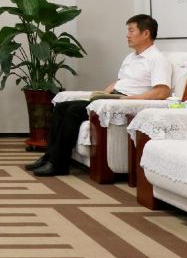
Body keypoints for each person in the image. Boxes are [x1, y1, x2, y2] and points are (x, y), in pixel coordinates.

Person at [26, 14, 172, 177]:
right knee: (61, 107)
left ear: (145, 33)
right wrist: (102, 94)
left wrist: (131, 99)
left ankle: (58, 164)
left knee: (73, 110)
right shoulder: (131, 57)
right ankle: (49, 157)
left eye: (131, 31)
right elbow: (120, 81)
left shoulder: (157, 59)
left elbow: (162, 91)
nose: (127, 35)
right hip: (113, 98)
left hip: (125, 102)